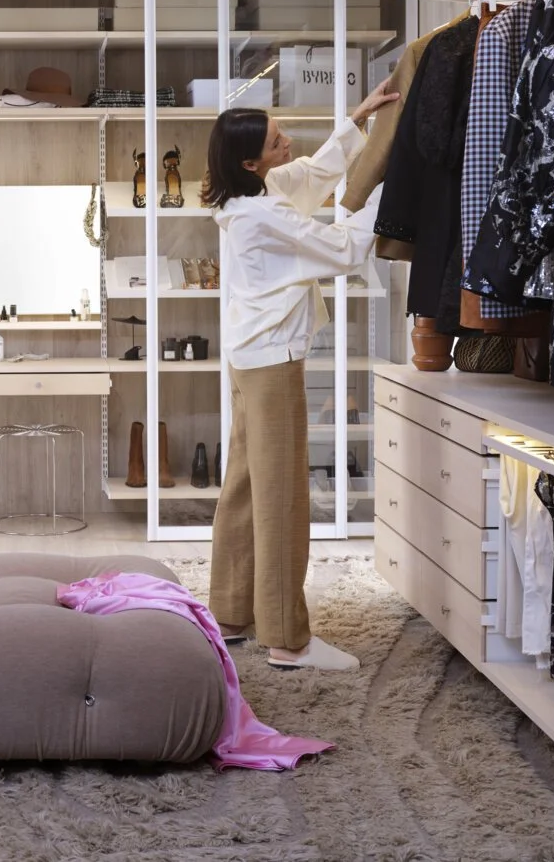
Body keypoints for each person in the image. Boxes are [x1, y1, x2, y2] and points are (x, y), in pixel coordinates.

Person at [201, 80, 398, 671]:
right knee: (283, 498)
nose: (287, 141)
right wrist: (389, 191)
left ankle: (231, 612)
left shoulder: (241, 195)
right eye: (275, 140)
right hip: (270, 367)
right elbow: (341, 250)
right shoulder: (261, 215)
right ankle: (288, 640)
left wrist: (359, 118)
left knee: (243, 487)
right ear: (249, 160)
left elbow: (310, 174)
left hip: (246, 360)